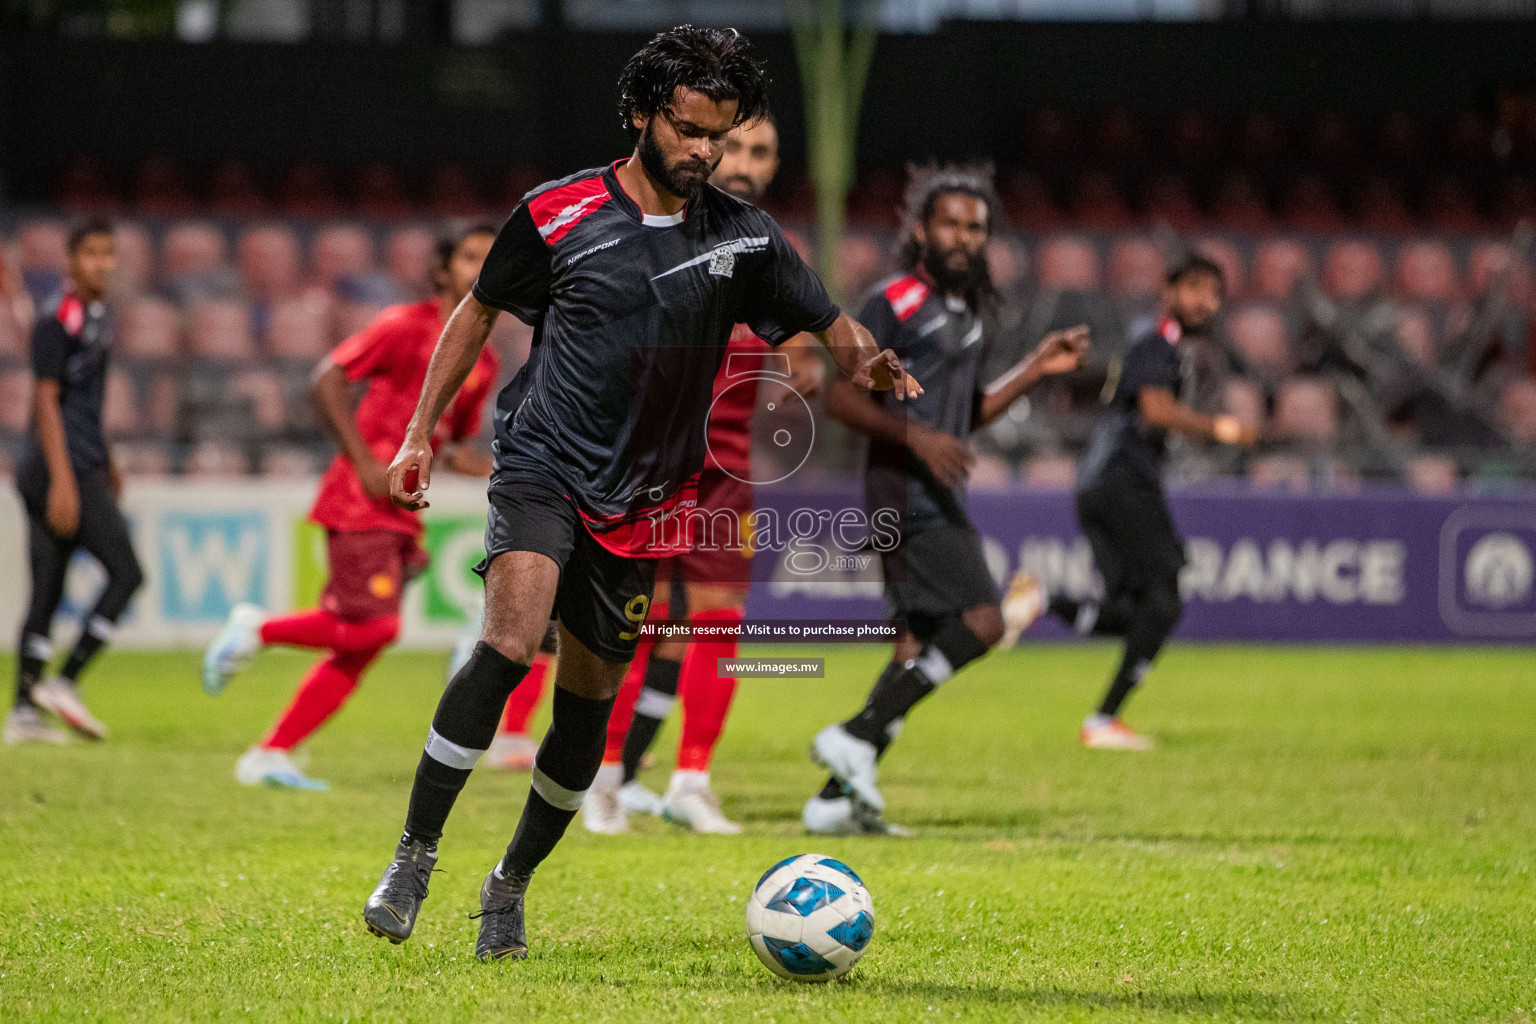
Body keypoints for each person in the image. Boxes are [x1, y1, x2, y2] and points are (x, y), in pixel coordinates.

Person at [359, 25, 920, 964]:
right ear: (641, 114)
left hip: (650, 502)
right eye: (690, 130)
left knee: (585, 709)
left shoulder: (745, 239)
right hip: (544, 463)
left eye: (721, 132)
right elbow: (479, 310)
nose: (704, 151)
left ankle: (509, 885)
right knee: (507, 638)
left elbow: (830, 324)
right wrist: (420, 430)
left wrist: (869, 360)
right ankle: (414, 856)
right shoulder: (556, 212)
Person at [803, 167, 1088, 833]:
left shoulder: (966, 313)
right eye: (951, 224)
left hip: (930, 483)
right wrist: (919, 438)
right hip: (902, 490)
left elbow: (967, 415)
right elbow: (840, 394)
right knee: (985, 620)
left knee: (914, 642)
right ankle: (858, 732)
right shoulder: (894, 301)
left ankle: (834, 800)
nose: (963, 237)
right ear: (922, 230)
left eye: (976, 228)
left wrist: (1035, 370)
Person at [581, 113, 825, 835]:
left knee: (719, 623)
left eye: (763, 152)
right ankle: (603, 781)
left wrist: (806, 358)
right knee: (637, 626)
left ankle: (692, 779)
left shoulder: (773, 248)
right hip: (647, 462)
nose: (747, 162)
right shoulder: (652, 228)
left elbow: (806, 336)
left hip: (725, 466)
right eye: (738, 146)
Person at [201, 226, 500, 789]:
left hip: (401, 509)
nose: (480, 267)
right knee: (377, 630)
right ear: (442, 269)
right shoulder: (405, 326)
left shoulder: (482, 360)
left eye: (490, 259)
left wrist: (494, 469)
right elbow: (325, 381)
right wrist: (364, 463)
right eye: (468, 256)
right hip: (360, 499)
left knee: (358, 644)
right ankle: (257, 629)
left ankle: (271, 752)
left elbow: (449, 444)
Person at [1044, 255, 1255, 750]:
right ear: (1169, 290)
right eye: (1195, 288)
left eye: (1214, 292)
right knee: (1163, 603)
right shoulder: (1158, 342)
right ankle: (1103, 720)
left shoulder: (1155, 342)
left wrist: (1194, 433)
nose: (1206, 301)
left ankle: (1045, 602)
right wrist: (1219, 428)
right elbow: (1155, 409)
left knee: (1134, 612)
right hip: (1124, 483)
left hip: (1099, 483)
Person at [5, 219, 143, 746]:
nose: (102, 263)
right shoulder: (58, 318)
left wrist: (106, 456)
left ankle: (23, 711)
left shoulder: (100, 316)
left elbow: (86, 401)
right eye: (91, 254)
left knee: (48, 587)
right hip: (59, 467)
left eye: (109, 254)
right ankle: (64, 681)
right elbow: (45, 399)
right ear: (71, 261)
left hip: (80, 462)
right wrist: (65, 479)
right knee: (127, 574)